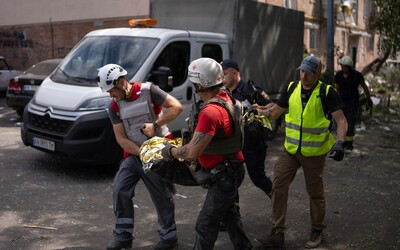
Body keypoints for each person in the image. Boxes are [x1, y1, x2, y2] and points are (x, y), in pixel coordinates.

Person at [255, 55, 348, 249]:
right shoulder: (291, 88)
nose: (304, 76)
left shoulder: (326, 92)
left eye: (309, 73)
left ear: (318, 74)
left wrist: (340, 143)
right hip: (291, 150)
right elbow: (275, 113)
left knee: (315, 193)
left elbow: (341, 120)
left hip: (314, 153)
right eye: (302, 71)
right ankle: (277, 232)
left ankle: (317, 230)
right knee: (278, 185)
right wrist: (257, 111)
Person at [161, 57, 252, 250]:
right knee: (230, 217)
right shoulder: (226, 96)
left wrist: (169, 150)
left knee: (205, 225)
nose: (193, 86)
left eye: (194, 83)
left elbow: (191, 153)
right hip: (231, 169)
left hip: (224, 175)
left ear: (201, 83)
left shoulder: (211, 112)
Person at [97, 64, 183, 250]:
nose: (111, 95)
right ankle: (123, 236)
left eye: (112, 91)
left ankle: (169, 237)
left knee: (161, 195)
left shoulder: (149, 90)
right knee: (120, 189)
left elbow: (176, 107)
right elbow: (121, 138)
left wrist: (156, 124)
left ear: (121, 82)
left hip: (159, 153)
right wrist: (142, 153)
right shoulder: (114, 106)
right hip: (136, 155)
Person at [221, 59, 272, 199]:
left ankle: (277, 200)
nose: (222, 77)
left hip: (253, 144)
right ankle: (233, 216)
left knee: (258, 179)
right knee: (231, 180)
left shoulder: (251, 90)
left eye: (224, 74)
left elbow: (273, 108)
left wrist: (258, 110)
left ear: (234, 73)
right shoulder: (223, 94)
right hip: (233, 145)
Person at [335, 55, 372, 152]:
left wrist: (368, 99)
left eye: (346, 66)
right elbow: (337, 88)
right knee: (342, 123)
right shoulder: (338, 75)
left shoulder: (357, 75)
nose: (344, 68)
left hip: (353, 103)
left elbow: (364, 87)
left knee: (350, 124)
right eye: (343, 66)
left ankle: (349, 145)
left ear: (350, 67)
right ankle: (341, 143)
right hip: (341, 103)